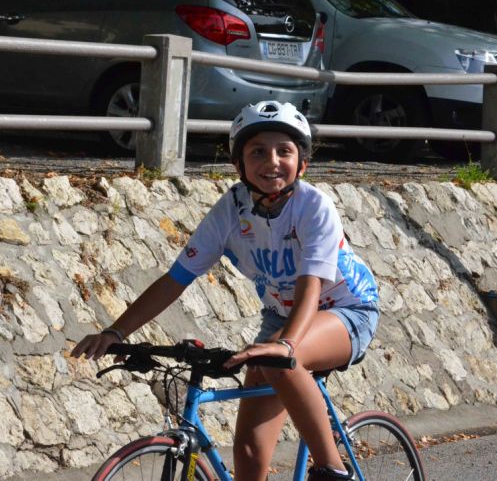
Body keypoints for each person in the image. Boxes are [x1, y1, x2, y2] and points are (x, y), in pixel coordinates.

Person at [71, 101, 379, 481]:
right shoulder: (231, 210)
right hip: (282, 319)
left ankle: (332, 470)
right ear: (238, 164)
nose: (272, 161)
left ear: (302, 164)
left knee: (281, 360)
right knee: (248, 454)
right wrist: (116, 331)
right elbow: (175, 279)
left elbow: (309, 288)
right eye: (258, 152)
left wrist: (286, 346)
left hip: (347, 309)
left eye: (284, 151)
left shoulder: (314, 207)